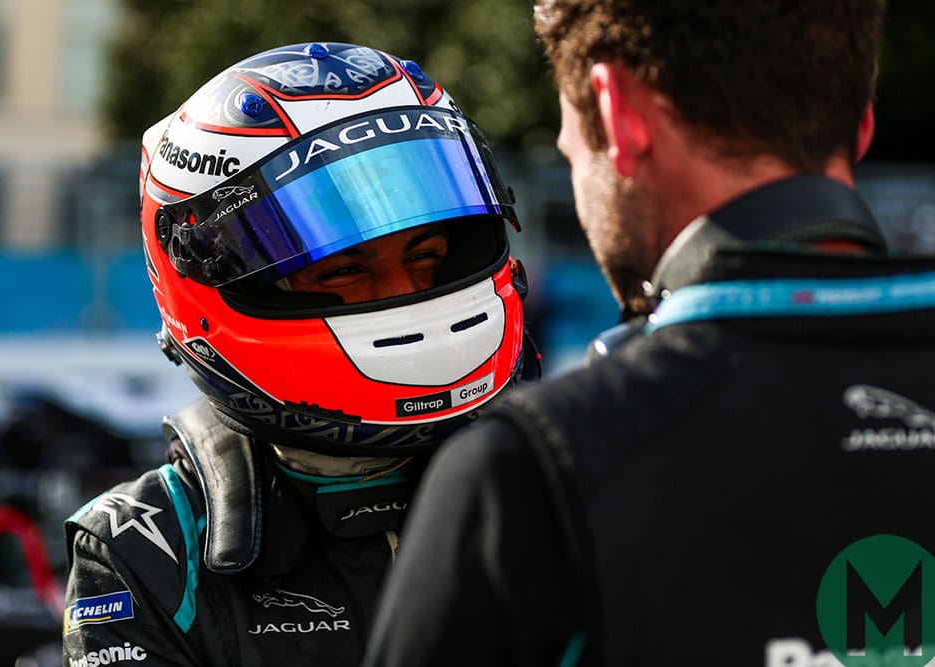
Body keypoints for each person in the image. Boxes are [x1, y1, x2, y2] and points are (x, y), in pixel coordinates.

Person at [364, 2, 935, 665]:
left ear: (618, 115)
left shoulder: (529, 475)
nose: (573, 172)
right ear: (861, 122)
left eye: (570, 145)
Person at [60, 42, 537, 667]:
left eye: (425, 257)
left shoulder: (563, 485)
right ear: (211, 285)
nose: (403, 295)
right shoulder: (147, 548)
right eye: (343, 270)